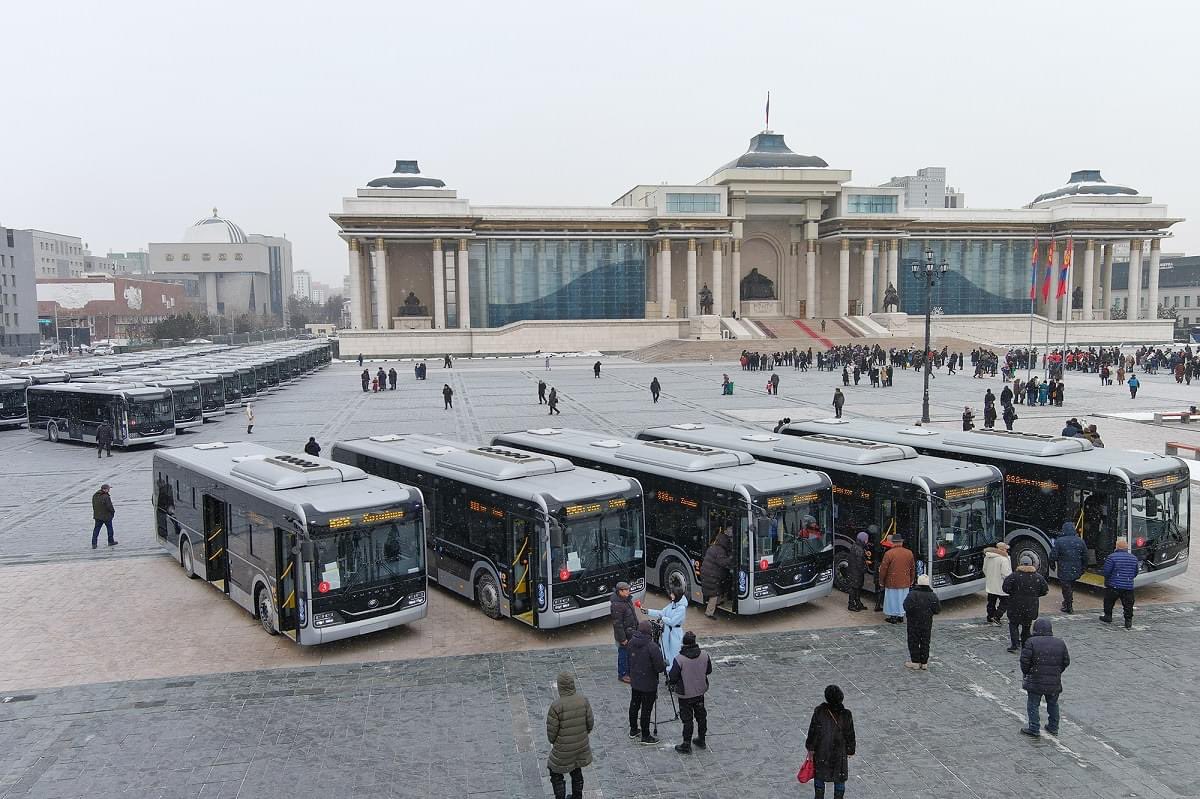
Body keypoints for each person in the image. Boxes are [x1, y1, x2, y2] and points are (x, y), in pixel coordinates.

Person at [545, 671, 592, 799]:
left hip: (563, 749)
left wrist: (557, 742)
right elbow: (590, 724)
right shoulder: (583, 700)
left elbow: (551, 734)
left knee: (555, 772)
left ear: (560, 687)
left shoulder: (556, 706)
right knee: (576, 769)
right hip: (581, 745)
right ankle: (577, 796)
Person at [1020, 618, 1069, 738]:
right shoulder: (1060, 643)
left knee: (1033, 704)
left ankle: (1034, 727)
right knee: (1053, 704)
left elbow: (1024, 661)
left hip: (1035, 680)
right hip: (1053, 681)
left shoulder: (1031, 642)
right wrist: (1056, 671)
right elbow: (1066, 661)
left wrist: (1027, 673)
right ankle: (1053, 727)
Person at [804, 685, 856, 799]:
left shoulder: (819, 712)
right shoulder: (846, 715)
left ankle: (819, 796)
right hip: (839, 753)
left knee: (819, 776)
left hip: (822, 750)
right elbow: (850, 734)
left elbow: (813, 732)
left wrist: (810, 748)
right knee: (840, 778)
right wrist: (850, 750)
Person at [667, 631, 711, 754]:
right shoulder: (704, 655)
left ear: (683, 643)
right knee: (701, 717)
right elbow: (709, 670)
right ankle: (701, 739)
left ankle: (686, 744)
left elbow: (673, 677)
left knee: (687, 720)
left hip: (685, 694)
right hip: (700, 691)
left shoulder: (679, 659)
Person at [627, 620, 666, 745]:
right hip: (648, 683)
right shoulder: (652, 646)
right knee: (646, 710)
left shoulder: (632, 642)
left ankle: (633, 730)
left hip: (636, 681)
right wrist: (665, 663)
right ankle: (645, 735)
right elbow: (659, 668)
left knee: (634, 705)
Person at [1002, 553, 1048, 652]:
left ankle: (1015, 645)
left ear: (1020, 563)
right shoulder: (1038, 577)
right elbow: (1045, 591)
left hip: (1015, 605)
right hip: (1031, 606)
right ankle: (1025, 644)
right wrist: (1034, 595)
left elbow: (1005, 588)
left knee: (1013, 624)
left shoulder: (1014, 576)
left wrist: (1014, 593)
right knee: (1026, 626)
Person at [903, 574, 941, 670]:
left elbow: (906, 606)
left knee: (913, 641)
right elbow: (937, 610)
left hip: (913, 622)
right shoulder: (932, 595)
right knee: (925, 641)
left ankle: (915, 661)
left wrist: (913, 613)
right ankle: (924, 662)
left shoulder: (913, 594)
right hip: (927, 622)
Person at [1100, 537, 1138, 629]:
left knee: (1109, 601)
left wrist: (1109, 579)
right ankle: (1128, 621)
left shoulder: (1111, 557)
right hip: (1128, 586)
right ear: (1126, 548)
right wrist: (1127, 579)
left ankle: (1108, 616)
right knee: (1128, 605)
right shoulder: (1133, 558)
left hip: (1113, 585)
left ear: (1116, 547)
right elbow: (1135, 572)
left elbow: (1106, 571)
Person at [1050, 521, 1087, 613]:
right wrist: (1083, 568)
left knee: (1066, 588)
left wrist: (1052, 565)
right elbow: (1085, 556)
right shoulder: (1080, 541)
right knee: (1071, 586)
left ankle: (1068, 606)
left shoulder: (1059, 541)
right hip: (1076, 569)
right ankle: (1067, 602)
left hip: (1064, 569)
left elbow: (1053, 556)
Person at [877, 534, 916, 623]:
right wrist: (912, 579)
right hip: (905, 581)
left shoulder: (889, 553)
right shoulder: (909, 553)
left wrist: (881, 581)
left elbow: (883, 569)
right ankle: (901, 616)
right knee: (902, 599)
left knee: (892, 599)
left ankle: (893, 617)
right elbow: (912, 568)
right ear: (901, 542)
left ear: (892, 543)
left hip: (892, 582)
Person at [644, 588, 686, 666]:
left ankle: (674, 670)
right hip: (667, 631)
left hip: (675, 632)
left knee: (674, 652)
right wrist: (648, 611)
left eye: (672, 594)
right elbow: (662, 612)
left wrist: (663, 618)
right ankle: (668, 669)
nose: (671, 595)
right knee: (665, 650)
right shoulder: (672, 604)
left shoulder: (681, 608)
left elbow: (673, 622)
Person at [700, 527, 733, 619]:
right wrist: (731, 558)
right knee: (714, 594)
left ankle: (718, 603)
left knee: (717, 591)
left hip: (708, 574)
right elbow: (724, 562)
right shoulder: (720, 551)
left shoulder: (714, 547)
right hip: (711, 576)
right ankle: (709, 613)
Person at [609, 582, 638, 683]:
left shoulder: (627, 600)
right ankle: (623, 674)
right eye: (626, 590)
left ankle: (628, 672)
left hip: (631, 632)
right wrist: (622, 639)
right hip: (625, 635)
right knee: (623, 654)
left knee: (629, 654)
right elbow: (617, 624)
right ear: (620, 591)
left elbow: (633, 615)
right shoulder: (617, 605)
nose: (628, 591)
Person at [982, 541, 1012, 625]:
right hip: (1001, 585)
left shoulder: (987, 557)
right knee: (1005, 602)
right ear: (1003, 549)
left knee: (991, 602)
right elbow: (1006, 574)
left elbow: (984, 569)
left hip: (991, 584)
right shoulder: (1003, 559)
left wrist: (990, 577)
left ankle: (990, 617)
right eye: (1006, 549)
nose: (1007, 551)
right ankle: (997, 616)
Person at [90, 483, 118, 549]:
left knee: (96, 530)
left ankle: (94, 544)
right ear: (104, 489)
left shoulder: (95, 495)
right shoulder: (106, 496)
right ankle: (111, 542)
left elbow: (94, 505)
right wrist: (112, 512)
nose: (109, 490)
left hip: (97, 516)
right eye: (108, 489)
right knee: (110, 529)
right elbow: (109, 506)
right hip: (106, 516)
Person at [846, 532, 868, 612]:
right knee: (855, 588)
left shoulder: (855, 546)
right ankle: (851, 605)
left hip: (853, 571)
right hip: (856, 573)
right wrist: (865, 569)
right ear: (864, 540)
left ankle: (857, 603)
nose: (867, 541)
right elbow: (860, 564)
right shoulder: (859, 549)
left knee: (856, 588)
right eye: (866, 539)